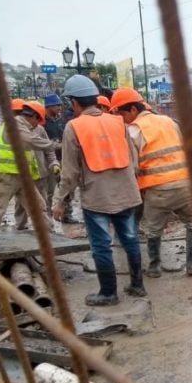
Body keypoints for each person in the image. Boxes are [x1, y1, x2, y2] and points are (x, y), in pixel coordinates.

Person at [52, 75, 144, 306]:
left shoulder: (74, 126)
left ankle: (109, 293)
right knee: (130, 239)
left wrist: (59, 201)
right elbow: (133, 161)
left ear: (73, 102)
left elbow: (69, 172)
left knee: (101, 246)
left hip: (97, 198)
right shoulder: (117, 122)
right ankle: (137, 285)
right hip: (126, 193)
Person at [110, 87, 192, 278]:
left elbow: (133, 166)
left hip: (158, 189)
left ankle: (154, 266)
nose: (122, 118)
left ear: (133, 110)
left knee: (152, 230)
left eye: (122, 113)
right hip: (185, 185)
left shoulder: (134, 130)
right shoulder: (168, 121)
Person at [0, 100, 57, 233]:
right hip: (7, 174)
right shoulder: (14, 124)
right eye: (37, 121)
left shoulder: (23, 126)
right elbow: (32, 141)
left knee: (38, 206)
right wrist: (57, 145)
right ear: (32, 116)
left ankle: (50, 236)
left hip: (22, 175)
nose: (36, 125)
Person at [13, 102, 61, 230]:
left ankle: (47, 227)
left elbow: (49, 150)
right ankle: (20, 226)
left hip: (39, 173)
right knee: (21, 203)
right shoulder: (13, 130)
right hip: (22, 174)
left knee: (43, 202)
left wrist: (54, 163)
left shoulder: (40, 130)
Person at [43, 93, 78, 223]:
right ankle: (46, 217)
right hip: (49, 162)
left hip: (63, 159)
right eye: (56, 105)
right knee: (49, 191)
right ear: (48, 106)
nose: (59, 107)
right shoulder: (42, 123)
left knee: (67, 189)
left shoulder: (61, 121)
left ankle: (67, 214)